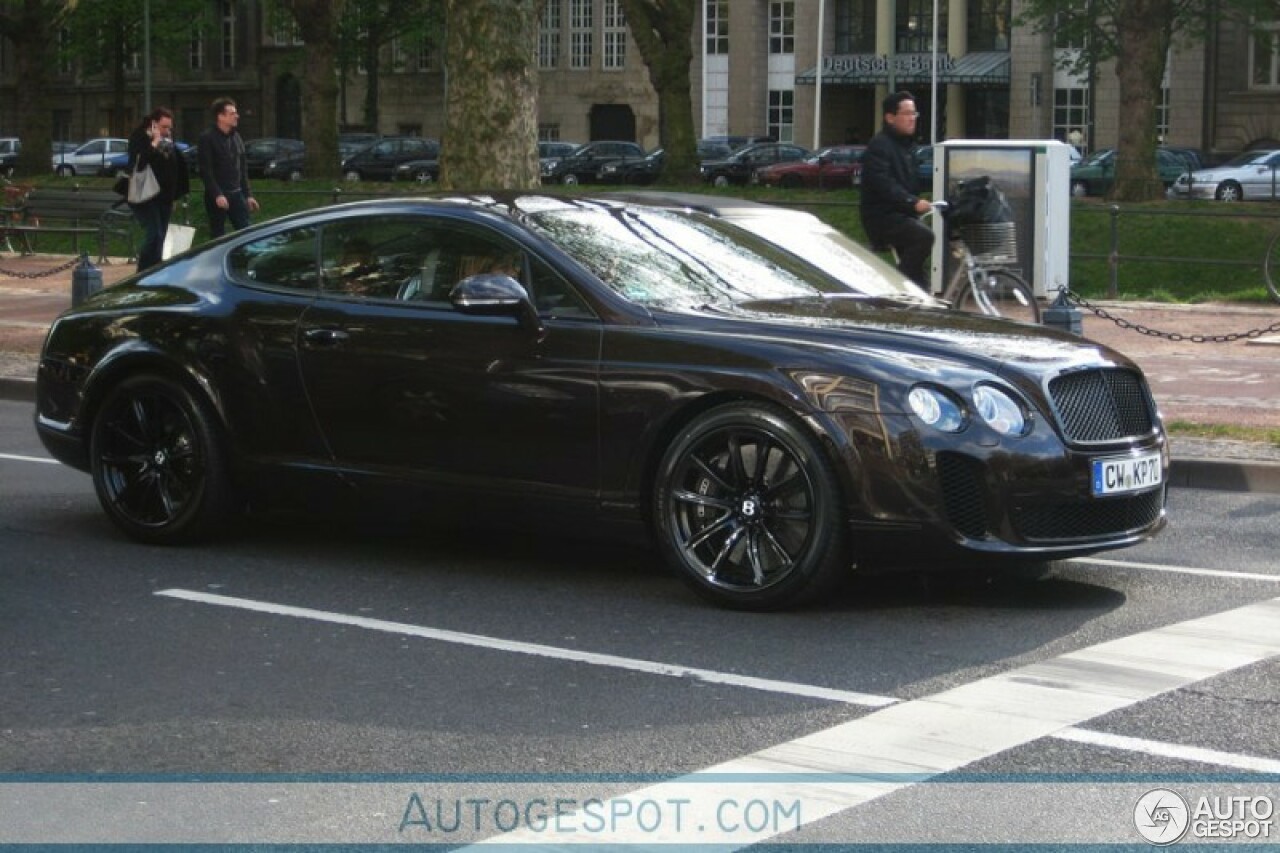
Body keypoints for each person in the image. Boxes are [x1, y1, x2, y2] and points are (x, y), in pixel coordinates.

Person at [859, 91, 934, 289]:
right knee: (924, 237)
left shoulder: (906, 147)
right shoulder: (880, 145)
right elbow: (884, 183)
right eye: (907, 113)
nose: (912, 119)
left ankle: (918, 304)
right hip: (883, 218)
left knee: (919, 283)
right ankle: (893, 289)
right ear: (890, 117)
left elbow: (913, 181)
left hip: (901, 216)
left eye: (914, 114)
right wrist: (912, 202)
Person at [126, 107, 190, 272]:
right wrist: (153, 143)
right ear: (153, 124)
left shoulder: (168, 142)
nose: (167, 131)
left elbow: (173, 168)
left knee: (161, 237)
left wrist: (174, 196)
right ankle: (143, 271)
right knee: (155, 234)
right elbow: (139, 165)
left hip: (165, 197)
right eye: (164, 127)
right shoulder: (140, 137)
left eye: (169, 127)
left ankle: (155, 270)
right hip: (146, 196)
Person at [198, 97, 259, 238]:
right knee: (218, 235)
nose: (236, 116)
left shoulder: (236, 137)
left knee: (246, 232)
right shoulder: (207, 138)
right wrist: (217, 194)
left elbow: (242, 169)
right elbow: (206, 170)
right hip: (218, 196)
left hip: (236, 194)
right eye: (232, 113)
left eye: (236, 113)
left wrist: (248, 195)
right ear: (220, 116)